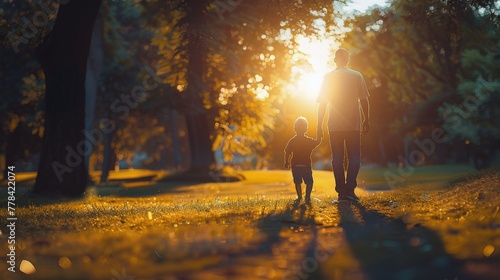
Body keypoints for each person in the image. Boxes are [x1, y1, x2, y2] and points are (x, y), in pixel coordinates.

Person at [316, 48, 370, 202]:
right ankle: (350, 190)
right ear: (348, 59)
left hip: (334, 126)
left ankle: (341, 192)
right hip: (353, 124)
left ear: (335, 60)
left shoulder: (328, 77)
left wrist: (319, 125)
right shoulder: (356, 76)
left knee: (337, 159)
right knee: (354, 158)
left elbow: (322, 104)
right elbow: (364, 100)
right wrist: (366, 120)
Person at [284, 116, 322, 203]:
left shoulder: (292, 141)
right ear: (306, 129)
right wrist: (319, 135)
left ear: (294, 128)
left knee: (297, 182)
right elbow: (317, 142)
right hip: (306, 166)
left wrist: (286, 161)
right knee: (309, 182)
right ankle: (307, 197)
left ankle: (299, 197)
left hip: (295, 166)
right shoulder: (308, 141)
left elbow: (287, 152)